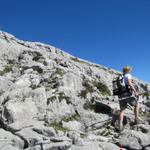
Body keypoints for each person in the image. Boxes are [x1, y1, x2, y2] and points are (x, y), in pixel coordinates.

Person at [119, 66, 139, 131]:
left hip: (121, 96)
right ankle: (136, 119)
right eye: (130, 70)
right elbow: (129, 83)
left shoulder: (120, 76)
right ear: (128, 70)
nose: (131, 71)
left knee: (122, 110)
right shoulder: (128, 75)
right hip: (127, 94)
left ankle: (120, 124)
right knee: (137, 105)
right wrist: (135, 92)